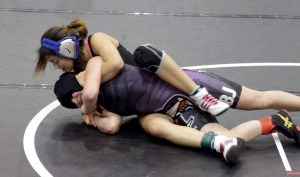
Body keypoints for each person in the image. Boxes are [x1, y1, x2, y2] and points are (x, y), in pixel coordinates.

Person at [53, 61, 300, 164]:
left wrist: (87, 107)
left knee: (258, 98)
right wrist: (95, 119)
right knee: (228, 139)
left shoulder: (96, 67)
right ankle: (275, 121)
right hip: (167, 107)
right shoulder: (97, 104)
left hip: (185, 84)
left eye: (73, 96)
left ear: (77, 83)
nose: (77, 102)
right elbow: (113, 125)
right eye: (73, 104)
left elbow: (89, 93)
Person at [33, 18, 229, 116]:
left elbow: (116, 64)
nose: (56, 67)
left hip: (157, 81)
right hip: (144, 100)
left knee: (145, 55)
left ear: (66, 50)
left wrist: (89, 87)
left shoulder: (96, 40)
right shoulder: (78, 70)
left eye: (54, 61)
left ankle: (197, 92)